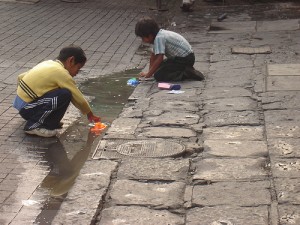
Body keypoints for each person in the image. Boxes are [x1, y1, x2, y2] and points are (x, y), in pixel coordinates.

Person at [13, 45, 100, 137]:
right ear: (71, 61)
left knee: (59, 91)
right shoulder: (61, 73)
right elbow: (77, 97)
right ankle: (34, 125)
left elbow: (20, 76)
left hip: (23, 106)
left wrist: (24, 97)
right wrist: (89, 114)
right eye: (78, 68)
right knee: (65, 94)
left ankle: (47, 121)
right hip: (27, 108)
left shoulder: (49, 63)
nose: (77, 72)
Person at [135, 17, 204, 82]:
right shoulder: (159, 35)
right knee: (157, 68)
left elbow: (159, 59)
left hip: (185, 59)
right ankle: (184, 69)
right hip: (183, 58)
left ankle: (186, 73)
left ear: (150, 35)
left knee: (158, 75)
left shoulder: (159, 38)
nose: (143, 40)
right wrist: (149, 72)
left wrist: (148, 75)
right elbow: (153, 56)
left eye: (143, 38)